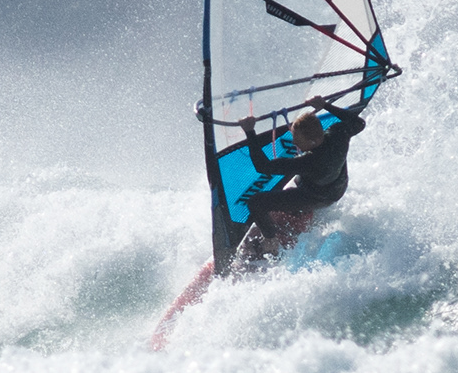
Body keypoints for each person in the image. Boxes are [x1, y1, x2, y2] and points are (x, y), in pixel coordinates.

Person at [150, 107, 365, 347]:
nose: (293, 142)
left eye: (297, 140)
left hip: (316, 196)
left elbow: (263, 167)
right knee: (285, 189)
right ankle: (285, 218)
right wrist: (323, 104)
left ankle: (270, 238)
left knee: (257, 202)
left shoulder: (310, 161)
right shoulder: (337, 132)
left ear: (313, 141)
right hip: (336, 187)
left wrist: (250, 132)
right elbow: (359, 123)